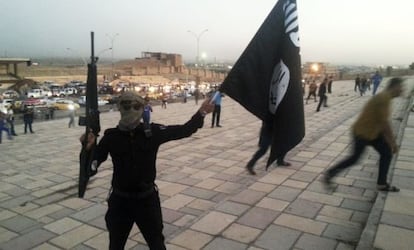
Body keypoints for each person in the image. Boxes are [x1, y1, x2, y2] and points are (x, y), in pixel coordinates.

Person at [80, 92, 214, 250]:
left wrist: (202, 113)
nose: (131, 110)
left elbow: (185, 130)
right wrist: (87, 150)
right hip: (120, 201)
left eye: (136, 106)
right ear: (120, 108)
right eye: (126, 106)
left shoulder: (152, 133)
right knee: (116, 244)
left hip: (147, 200)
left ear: (142, 109)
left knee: (156, 243)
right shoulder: (111, 137)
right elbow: (90, 169)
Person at [324, 77, 405, 192]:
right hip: (362, 133)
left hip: (373, 133)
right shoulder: (383, 98)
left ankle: (382, 184)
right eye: (401, 87)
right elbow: (385, 124)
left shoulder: (385, 97)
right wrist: (393, 143)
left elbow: (382, 122)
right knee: (354, 159)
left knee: (386, 153)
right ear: (395, 86)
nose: (402, 90)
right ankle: (329, 174)